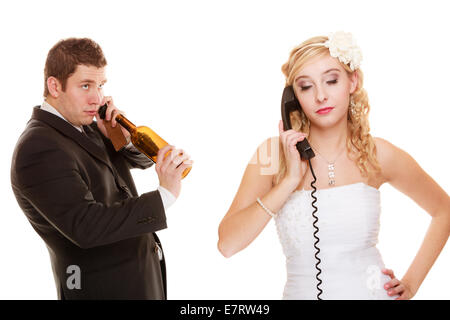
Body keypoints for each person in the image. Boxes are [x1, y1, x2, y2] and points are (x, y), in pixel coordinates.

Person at [218, 31, 449, 300]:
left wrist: (411, 284)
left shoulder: (378, 153)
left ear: (353, 81)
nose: (320, 96)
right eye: (306, 86)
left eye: (331, 80)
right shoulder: (272, 154)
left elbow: (444, 210)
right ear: (292, 98)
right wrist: (289, 181)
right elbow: (227, 245)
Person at [10, 38, 192, 299]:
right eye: (85, 86)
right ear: (54, 86)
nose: (97, 98)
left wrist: (122, 137)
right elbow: (86, 227)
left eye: (100, 85)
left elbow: (136, 164)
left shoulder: (84, 126)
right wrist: (164, 196)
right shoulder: (38, 147)